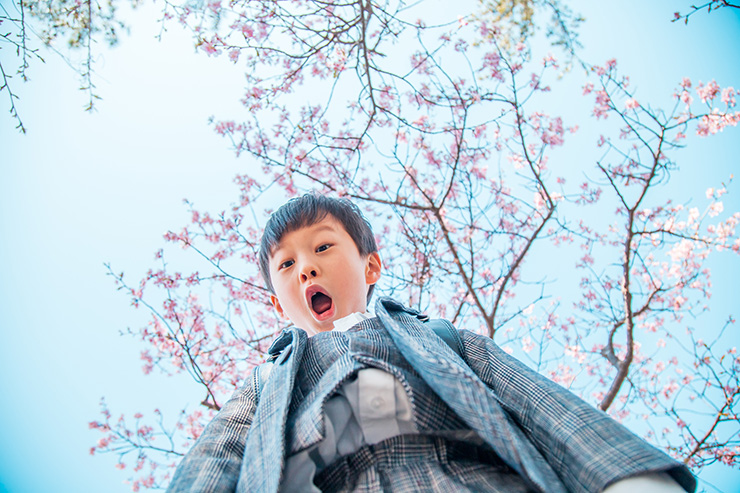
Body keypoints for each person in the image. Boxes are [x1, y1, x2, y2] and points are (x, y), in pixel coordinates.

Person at [167, 193, 696, 492]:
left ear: (370, 264)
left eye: (323, 247)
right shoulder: (266, 385)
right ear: (278, 299)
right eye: (286, 264)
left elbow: (545, 411)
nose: (306, 266)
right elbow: (215, 461)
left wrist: (629, 482)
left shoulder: (441, 340)